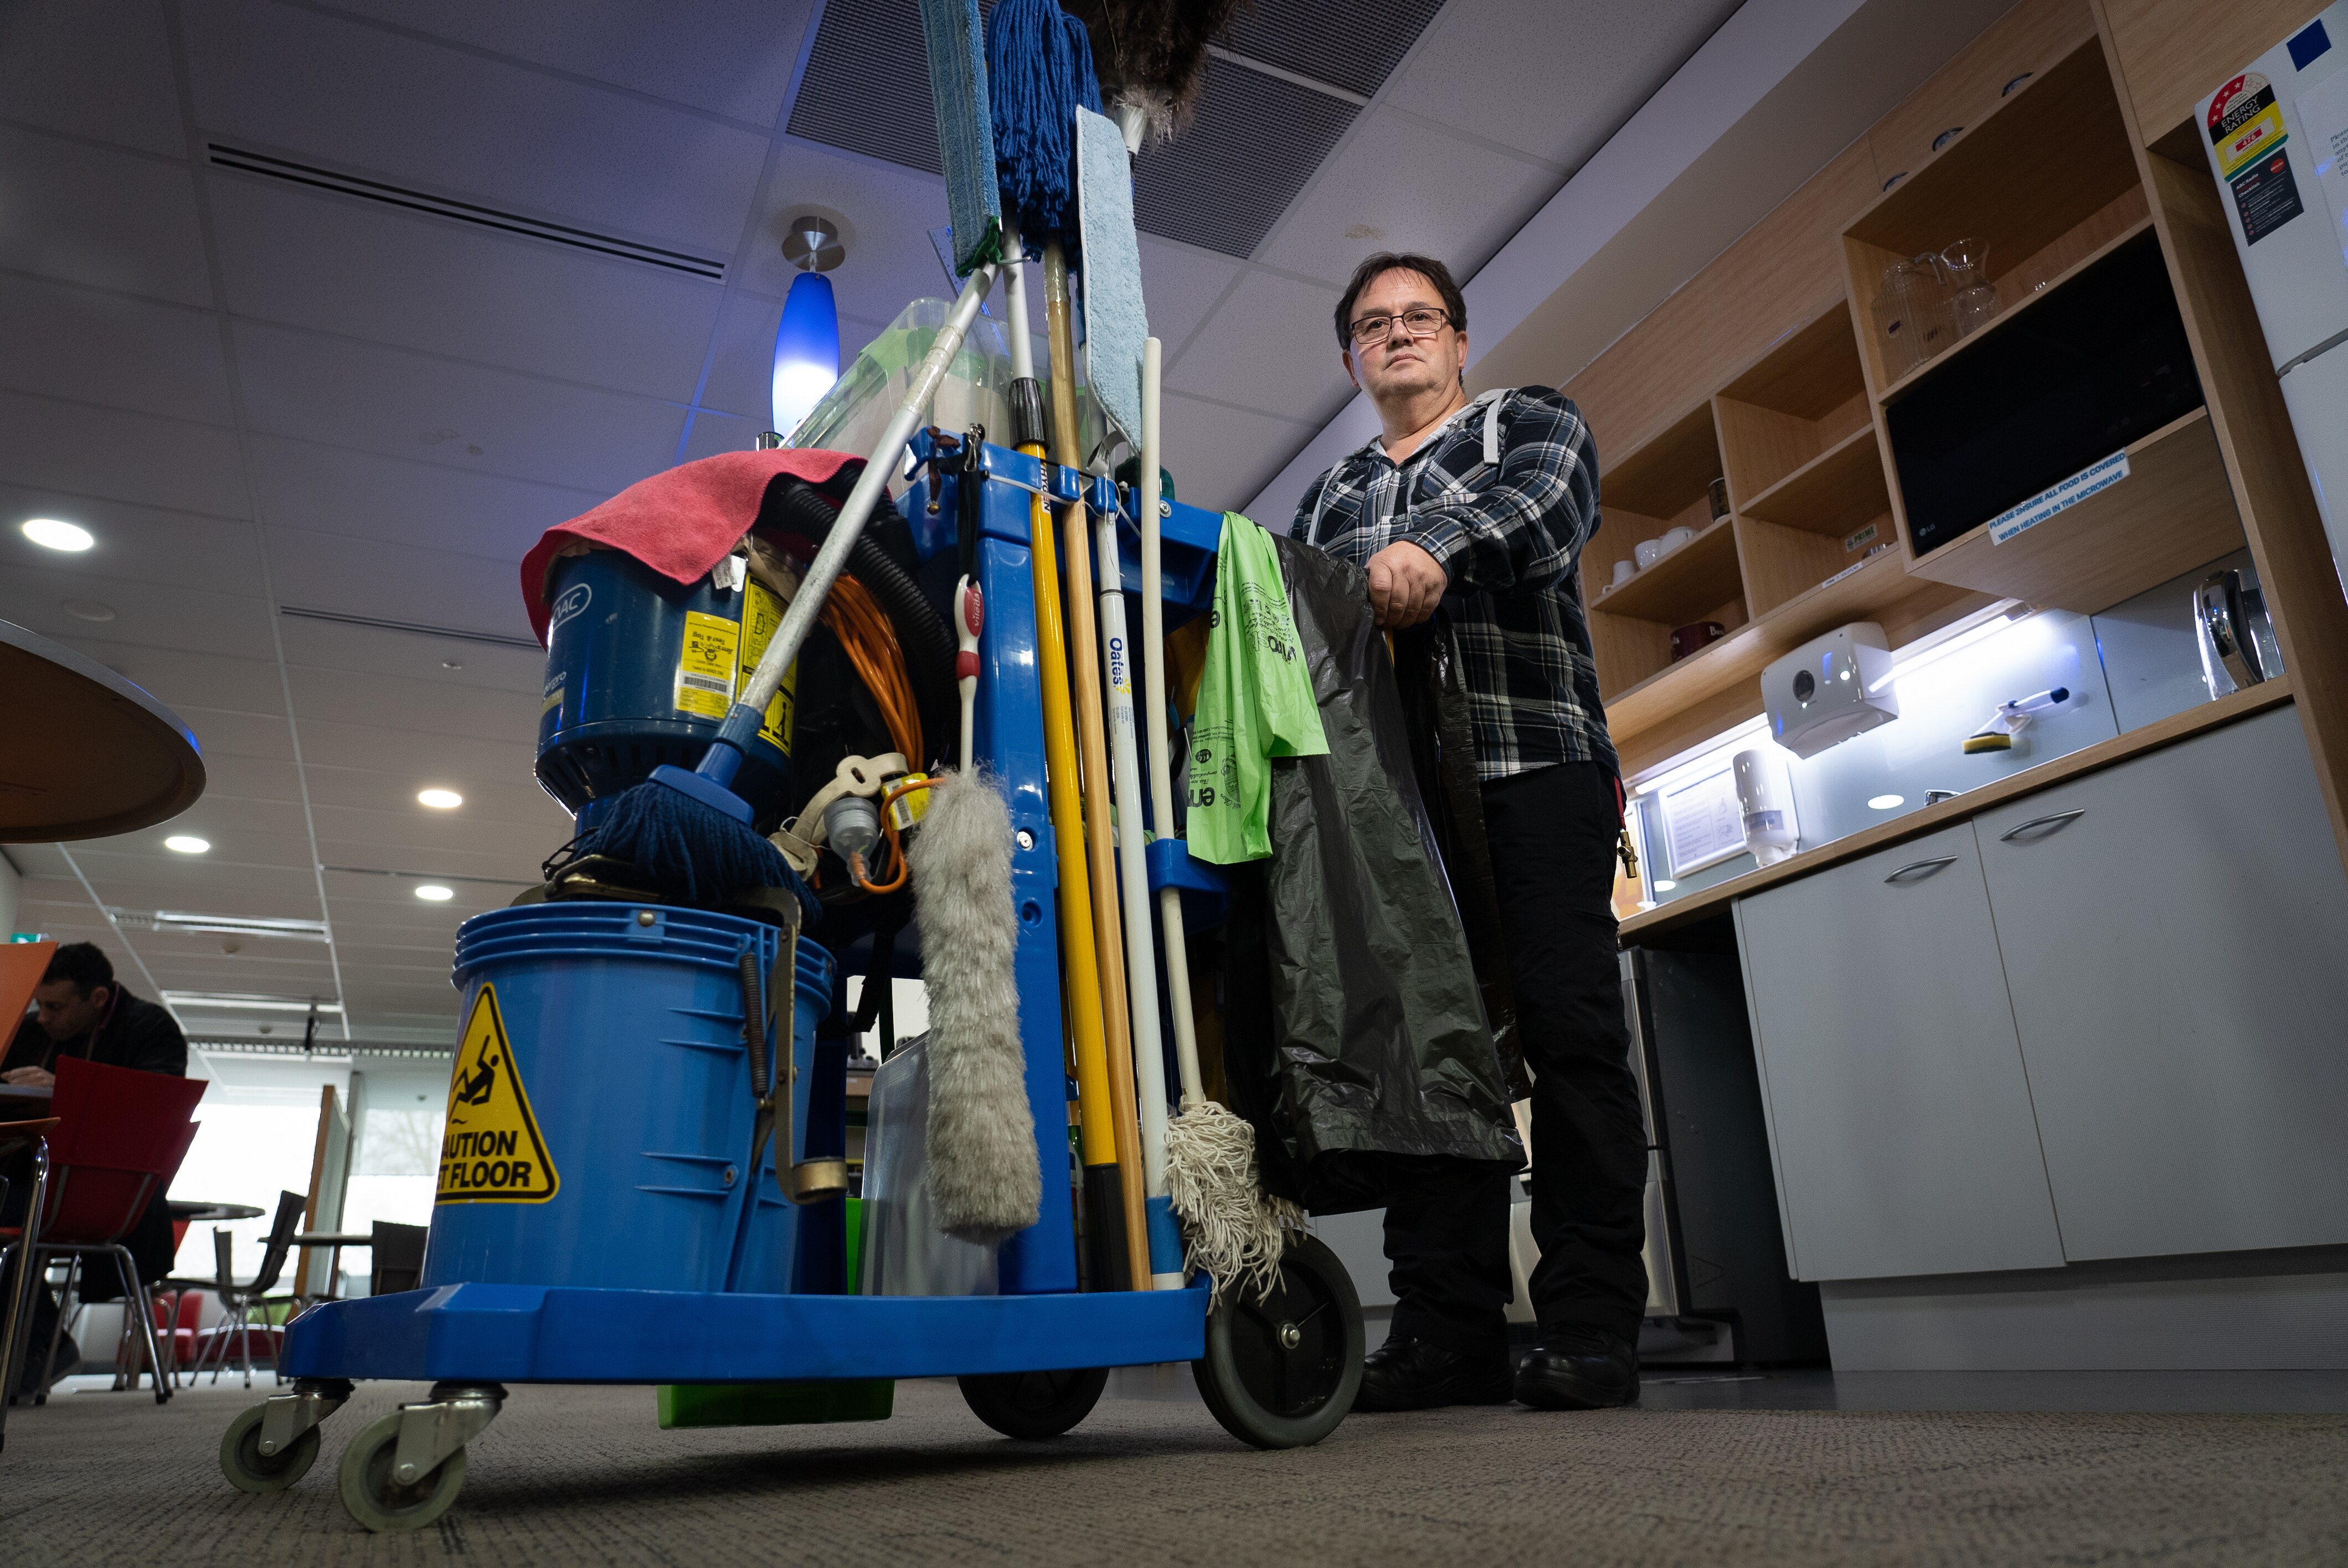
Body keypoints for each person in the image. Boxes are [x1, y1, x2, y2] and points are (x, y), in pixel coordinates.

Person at [1294, 253, 1648, 1412]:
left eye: (1418, 318)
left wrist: (1427, 549)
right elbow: (1285, 614)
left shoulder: (1524, 422)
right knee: (1428, 1060)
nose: (1396, 335)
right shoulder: (1328, 493)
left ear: (1455, 340)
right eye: (1371, 324)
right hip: (1393, 811)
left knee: (1569, 1036)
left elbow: (1544, 513)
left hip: (1530, 763)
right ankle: (1447, 1331)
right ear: (1351, 357)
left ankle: (1590, 1323)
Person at [3, 942, 190, 1393]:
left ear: (99, 999)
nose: (44, 1017)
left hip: (111, 1189)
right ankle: (39, 1346)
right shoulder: (32, 1031)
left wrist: (69, 1086)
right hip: (36, 1179)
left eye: (56, 1006)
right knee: (20, 1231)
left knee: (22, 1233)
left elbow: (158, 1110)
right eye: (39, 1005)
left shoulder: (150, 1027)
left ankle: (40, 1345)